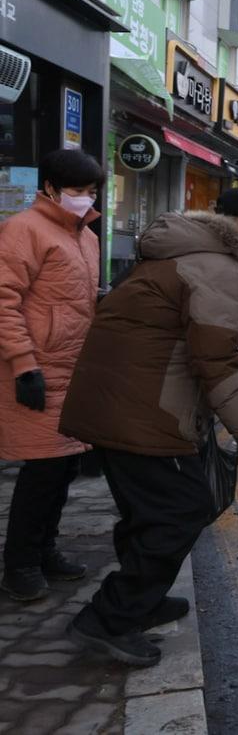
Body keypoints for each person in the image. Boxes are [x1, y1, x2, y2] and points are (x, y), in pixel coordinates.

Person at [58, 187, 238, 667]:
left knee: (148, 513)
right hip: (146, 412)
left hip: (113, 403)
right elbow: (217, 362)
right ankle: (107, 618)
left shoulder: (182, 251)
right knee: (183, 509)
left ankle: (141, 600)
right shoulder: (219, 270)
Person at [0, 150, 103, 601]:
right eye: (78, 191)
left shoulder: (87, 237)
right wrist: (24, 366)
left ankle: (45, 551)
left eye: (92, 191)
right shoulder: (24, 229)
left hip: (72, 371)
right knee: (41, 471)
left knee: (63, 470)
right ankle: (19, 565)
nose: (86, 199)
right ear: (49, 189)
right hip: (36, 372)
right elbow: (3, 301)